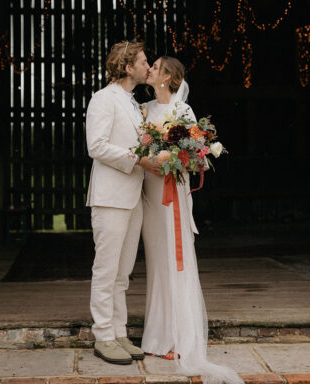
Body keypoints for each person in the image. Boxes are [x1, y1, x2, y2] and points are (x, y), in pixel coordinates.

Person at [140, 56, 244, 384]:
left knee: (176, 260)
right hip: (149, 195)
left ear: (169, 76)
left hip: (172, 195)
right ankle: (157, 338)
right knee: (157, 262)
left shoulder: (183, 112)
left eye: (156, 66)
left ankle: (177, 338)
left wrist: (173, 157)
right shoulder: (142, 109)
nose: (150, 70)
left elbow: (193, 157)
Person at [85, 40, 161, 365]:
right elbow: (96, 146)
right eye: (144, 62)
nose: (148, 67)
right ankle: (102, 336)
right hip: (110, 198)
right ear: (128, 67)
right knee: (106, 270)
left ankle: (119, 332)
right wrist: (138, 160)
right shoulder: (103, 99)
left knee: (123, 273)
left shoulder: (133, 103)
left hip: (134, 198)